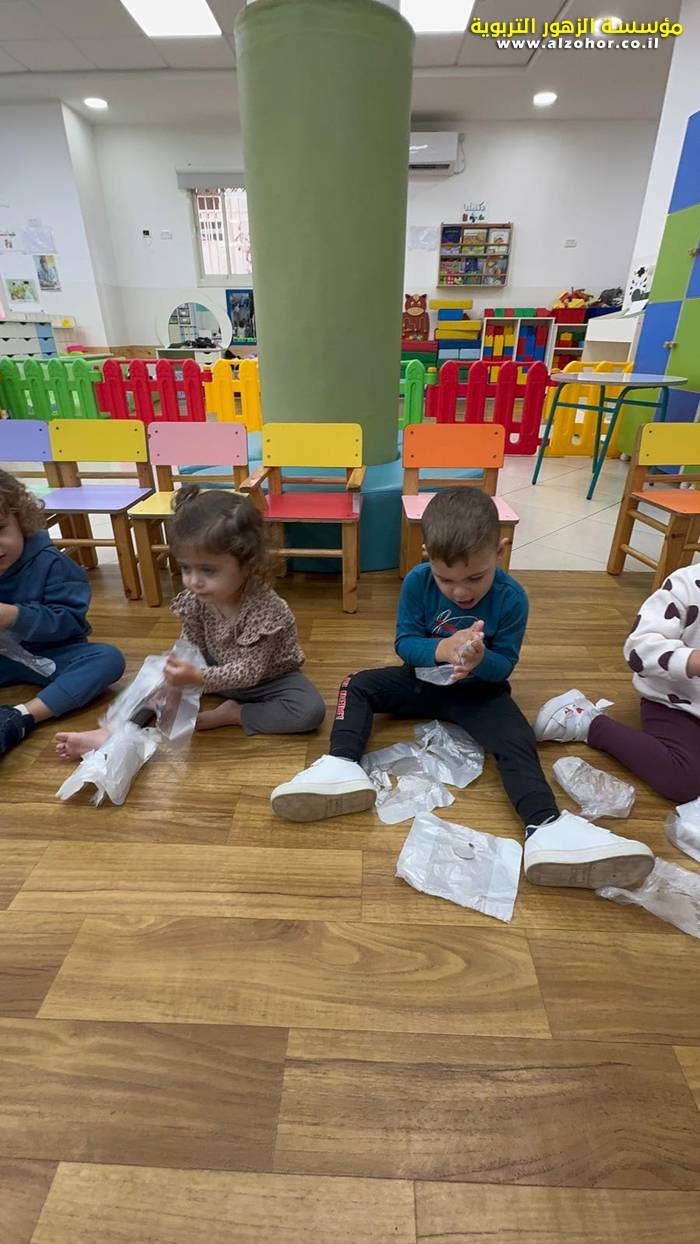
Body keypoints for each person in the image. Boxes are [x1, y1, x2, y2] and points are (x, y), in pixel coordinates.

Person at [270, 488, 654, 889]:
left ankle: (546, 827)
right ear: (427, 556)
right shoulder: (417, 582)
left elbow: (504, 665)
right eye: (446, 579)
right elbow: (405, 643)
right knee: (355, 684)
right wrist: (441, 649)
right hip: (420, 681)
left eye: (475, 577)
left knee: (518, 738)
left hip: (479, 692)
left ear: (500, 551)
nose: (460, 592)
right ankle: (341, 766)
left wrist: (478, 661)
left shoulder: (512, 598)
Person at [56, 487, 325, 759]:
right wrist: (175, 680)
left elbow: (248, 673)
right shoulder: (196, 599)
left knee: (310, 711)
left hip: (269, 680)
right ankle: (110, 730)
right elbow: (190, 647)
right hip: (213, 668)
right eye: (186, 568)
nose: (194, 581)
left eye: (208, 570)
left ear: (248, 564)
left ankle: (233, 713)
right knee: (156, 675)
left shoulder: (267, 609)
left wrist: (196, 678)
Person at [534, 564, 700, 804]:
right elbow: (638, 650)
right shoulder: (686, 586)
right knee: (682, 779)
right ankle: (590, 723)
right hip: (676, 703)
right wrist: (692, 660)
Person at [0, 470, 125, 758]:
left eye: (0, 529)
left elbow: (70, 622)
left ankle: (20, 716)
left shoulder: (52, 564)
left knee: (108, 659)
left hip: (52, 656)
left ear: (21, 520)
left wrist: (15, 616)